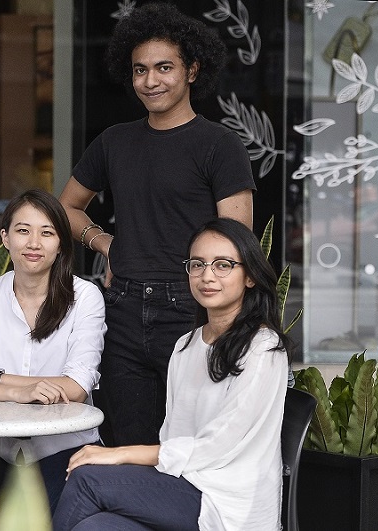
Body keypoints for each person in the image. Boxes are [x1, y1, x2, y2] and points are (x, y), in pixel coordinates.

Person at [59, 1, 258, 447]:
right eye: (139, 70)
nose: (150, 81)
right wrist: (105, 242)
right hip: (124, 309)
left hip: (190, 312)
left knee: (185, 446)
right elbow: (66, 208)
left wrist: (223, 318)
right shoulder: (114, 141)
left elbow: (236, 245)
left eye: (164, 67)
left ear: (192, 70)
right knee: (126, 443)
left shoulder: (219, 145)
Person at [52, 218, 292, 530]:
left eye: (223, 265)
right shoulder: (186, 345)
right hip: (180, 486)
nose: (207, 276)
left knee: (87, 479)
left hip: (227, 501)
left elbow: (220, 443)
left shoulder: (263, 348)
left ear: (249, 276)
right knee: (93, 527)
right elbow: (173, 434)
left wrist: (120, 454)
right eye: (197, 264)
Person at [0, 189, 106, 512]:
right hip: (4, 456)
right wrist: (18, 394)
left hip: (68, 455)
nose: (34, 243)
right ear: (5, 239)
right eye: (23, 231)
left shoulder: (85, 298)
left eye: (47, 233)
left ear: (61, 245)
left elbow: (76, 388)